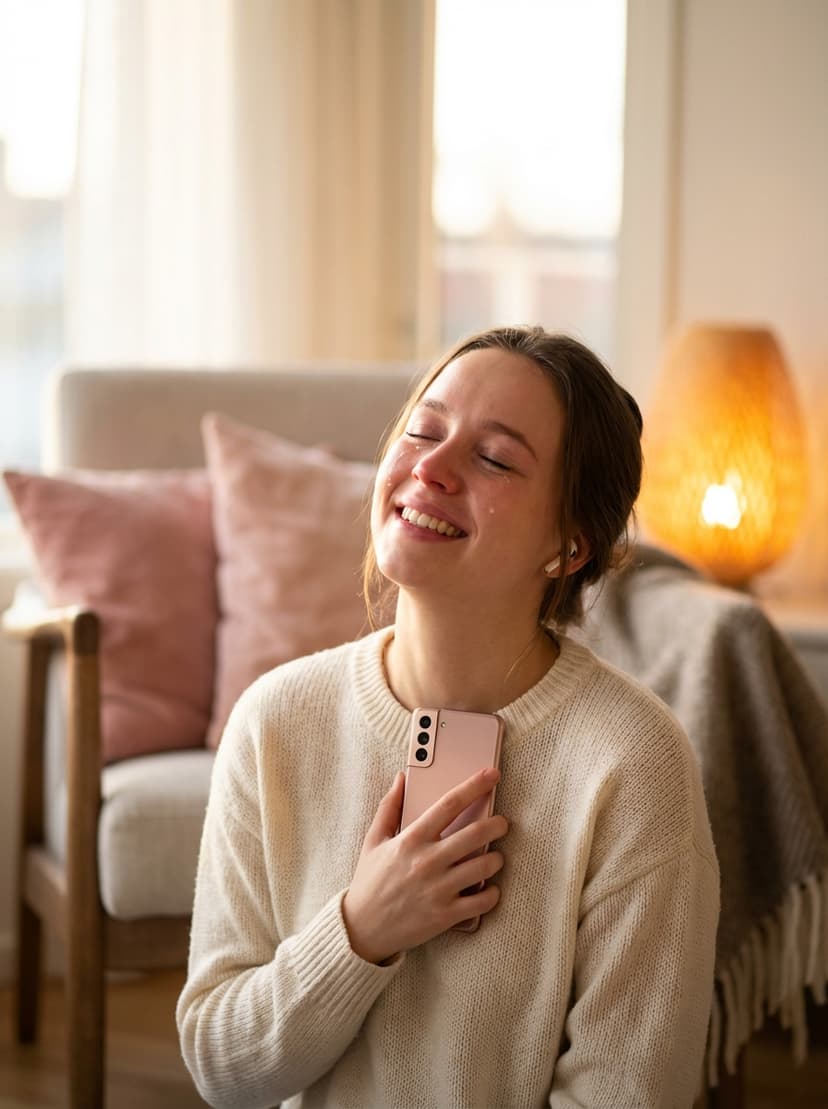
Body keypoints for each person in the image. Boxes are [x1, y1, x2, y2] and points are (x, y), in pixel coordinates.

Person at [177, 325, 720, 1108]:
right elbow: (221, 1065)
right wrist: (360, 931)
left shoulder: (633, 764)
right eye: (423, 430)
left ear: (570, 544)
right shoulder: (274, 721)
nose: (429, 467)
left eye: (494, 458)